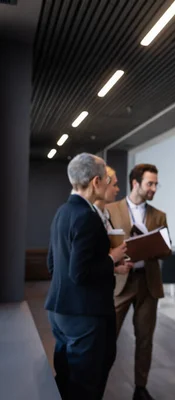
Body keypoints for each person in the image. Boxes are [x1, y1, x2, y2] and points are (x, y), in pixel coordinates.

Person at [45, 153, 128, 399]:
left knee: (66, 380)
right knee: (86, 387)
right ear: (95, 182)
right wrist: (112, 258)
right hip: (85, 316)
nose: (108, 183)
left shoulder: (62, 211)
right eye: (106, 179)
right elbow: (80, 273)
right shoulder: (87, 216)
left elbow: (53, 264)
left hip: (59, 312)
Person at [106, 163, 169, 400]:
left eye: (155, 183)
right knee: (107, 336)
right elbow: (103, 245)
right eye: (149, 183)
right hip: (119, 282)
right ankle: (99, 382)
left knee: (145, 339)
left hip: (148, 283)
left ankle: (140, 388)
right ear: (136, 183)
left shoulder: (159, 215)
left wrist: (153, 247)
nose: (154, 188)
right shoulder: (110, 210)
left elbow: (166, 250)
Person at [94, 165, 119, 231]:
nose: (117, 189)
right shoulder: (90, 216)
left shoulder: (106, 214)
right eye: (114, 185)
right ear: (103, 184)